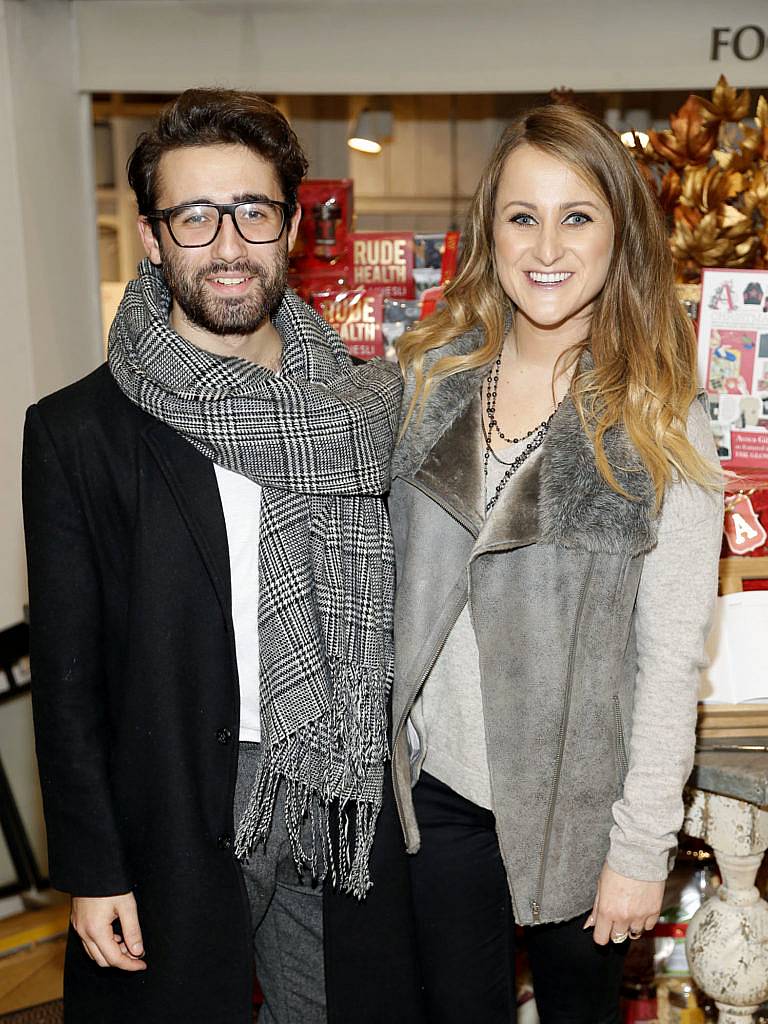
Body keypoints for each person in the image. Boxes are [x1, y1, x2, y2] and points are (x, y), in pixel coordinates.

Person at [22, 88, 403, 1024]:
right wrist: (94, 867)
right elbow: (68, 678)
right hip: (174, 801)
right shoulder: (79, 430)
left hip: (336, 785)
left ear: (291, 228)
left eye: (253, 213)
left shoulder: (366, 410)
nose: (227, 246)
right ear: (153, 238)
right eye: (194, 217)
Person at [387, 104, 723, 1023]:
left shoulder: (661, 422)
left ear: (621, 235)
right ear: (488, 233)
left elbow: (669, 664)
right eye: (522, 215)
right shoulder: (428, 386)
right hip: (438, 797)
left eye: (577, 215)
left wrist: (640, 848)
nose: (547, 245)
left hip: (584, 818)